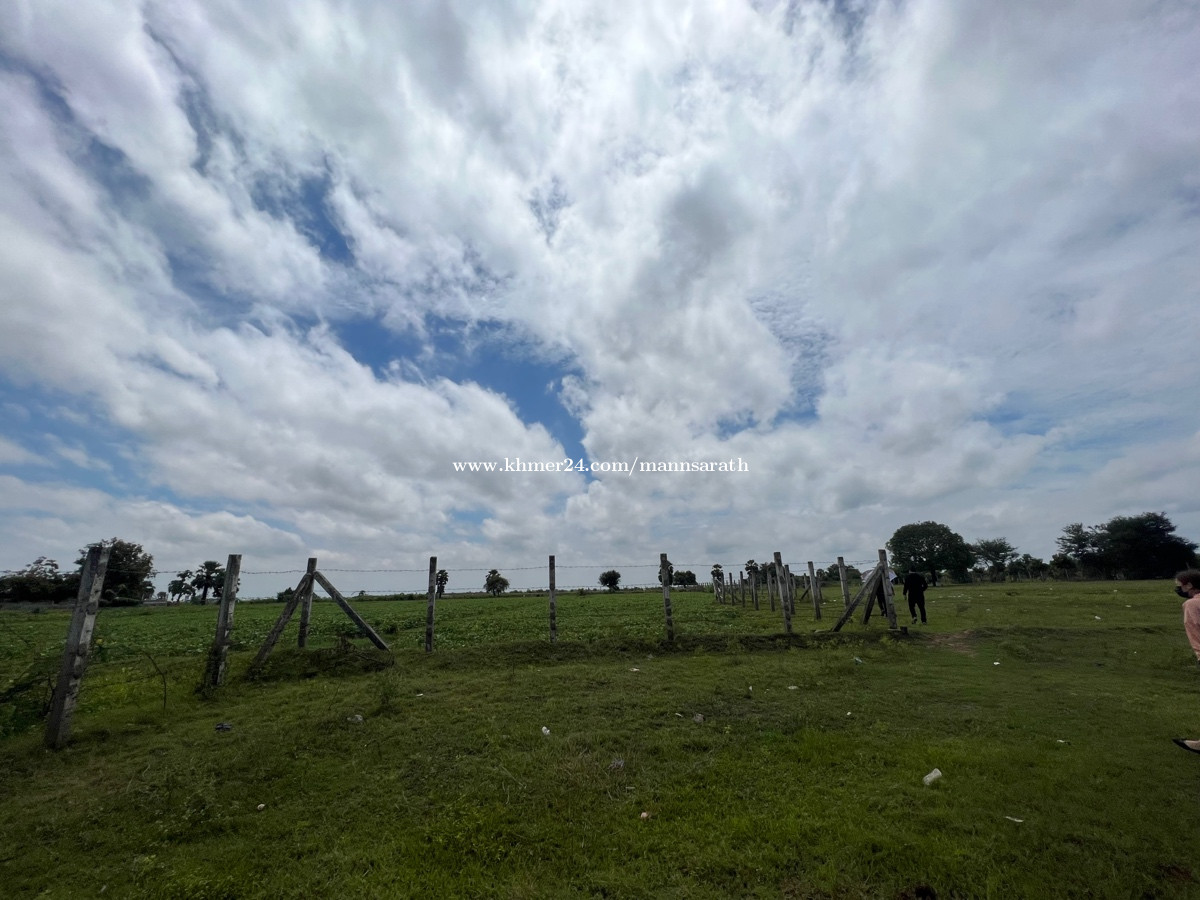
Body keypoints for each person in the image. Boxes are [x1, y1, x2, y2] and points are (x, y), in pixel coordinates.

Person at [1170, 569, 1200, 754]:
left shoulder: (1191, 605)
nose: (1178, 589)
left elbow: (1196, 630)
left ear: (1189, 585)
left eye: (1179, 586)